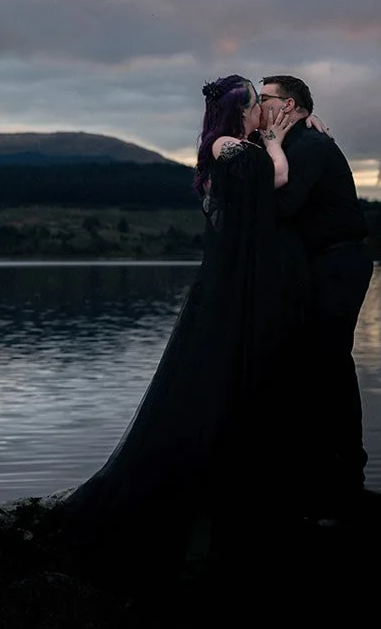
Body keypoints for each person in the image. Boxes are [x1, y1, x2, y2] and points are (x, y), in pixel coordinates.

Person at [61, 76, 306, 571]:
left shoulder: (234, 144)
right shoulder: (226, 146)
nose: (265, 111)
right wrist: (278, 143)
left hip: (236, 277)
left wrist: (296, 128)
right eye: (260, 104)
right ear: (243, 110)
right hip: (228, 281)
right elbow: (276, 178)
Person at [259, 74, 372, 522]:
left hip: (338, 265)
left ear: (288, 106)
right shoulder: (295, 142)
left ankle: (345, 473)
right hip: (317, 266)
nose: (258, 105)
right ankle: (321, 468)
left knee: (329, 364)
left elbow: (283, 207)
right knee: (315, 365)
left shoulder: (310, 148)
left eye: (264, 99)